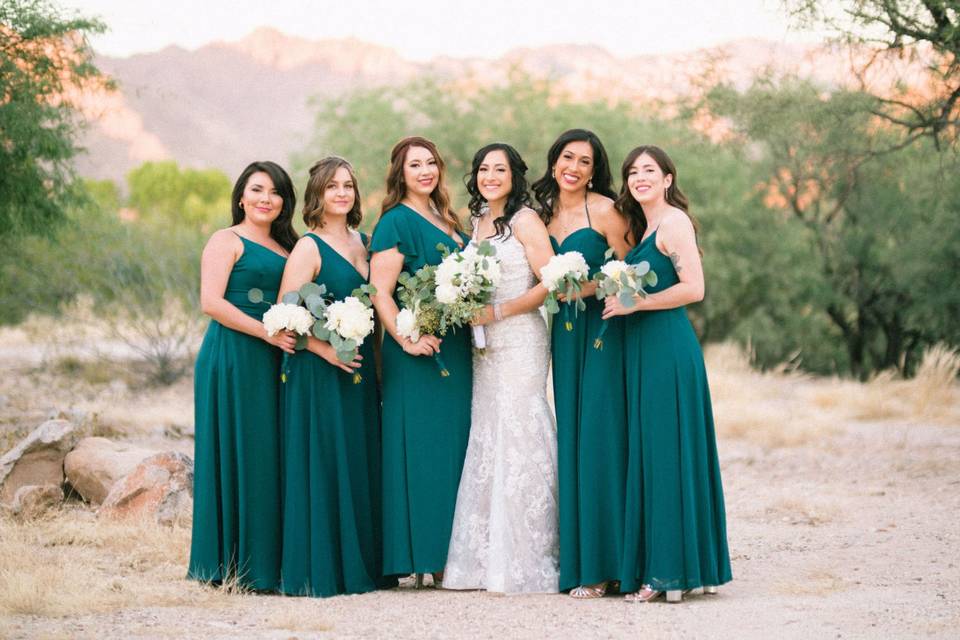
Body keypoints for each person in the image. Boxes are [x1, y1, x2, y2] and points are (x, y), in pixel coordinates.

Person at [602, 145, 732, 603]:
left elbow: (695, 288)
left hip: (667, 349)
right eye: (633, 171)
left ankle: (667, 575)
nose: (640, 178)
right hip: (643, 347)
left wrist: (637, 302)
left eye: (649, 171)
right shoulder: (646, 227)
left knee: (667, 454)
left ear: (668, 179)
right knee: (660, 452)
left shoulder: (674, 221)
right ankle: (690, 568)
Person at [443, 143, 559, 594]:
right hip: (482, 345)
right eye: (484, 169)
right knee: (489, 431)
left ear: (514, 176)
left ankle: (532, 553)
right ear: (475, 176)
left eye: (500, 169)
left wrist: (498, 312)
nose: (491, 176)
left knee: (522, 426)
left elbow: (548, 282)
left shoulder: (525, 220)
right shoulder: (476, 223)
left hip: (520, 337)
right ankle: (487, 558)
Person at [276, 157, 387, 596]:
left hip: (359, 372)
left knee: (358, 460)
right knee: (325, 462)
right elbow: (284, 317)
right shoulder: (309, 247)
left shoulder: (367, 242)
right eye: (332, 187)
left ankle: (360, 564)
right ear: (317, 195)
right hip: (319, 372)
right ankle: (322, 568)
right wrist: (325, 351)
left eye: (348, 186)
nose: (342, 193)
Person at [188, 161, 298, 591]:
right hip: (232, 356)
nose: (265, 199)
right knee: (231, 451)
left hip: (274, 361)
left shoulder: (289, 249)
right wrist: (265, 333)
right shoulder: (226, 240)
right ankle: (223, 564)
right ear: (241, 196)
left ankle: (261, 565)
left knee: (265, 455)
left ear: (284, 202)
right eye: (257, 190)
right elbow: (210, 302)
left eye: (274, 192)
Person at [369, 136, 472, 587]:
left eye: (431, 162)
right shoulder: (395, 223)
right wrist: (407, 339)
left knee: (454, 448)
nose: (426, 170)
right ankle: (423, 553)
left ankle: (450, 553)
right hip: (417, 352)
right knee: (423, 450)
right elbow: (379, 291)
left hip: (456, 348)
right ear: (400, 173)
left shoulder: (448, 219)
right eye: (415, 165)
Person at [532, 129, 631, 598]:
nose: (574, 167)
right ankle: (582, 562)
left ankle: (606, 565)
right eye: (567, 158)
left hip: (603, 332)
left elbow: (630, 271)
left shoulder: (607, 210)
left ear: (595, 170)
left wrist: (586, 289)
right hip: (563, 338)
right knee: (573, 440)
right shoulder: (541, 216)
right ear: (554, 163)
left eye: (585, 161)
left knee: (599, 440)